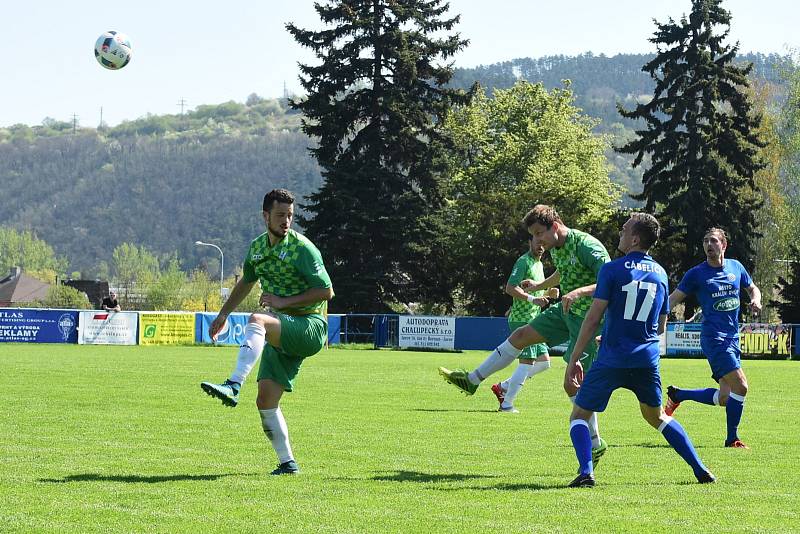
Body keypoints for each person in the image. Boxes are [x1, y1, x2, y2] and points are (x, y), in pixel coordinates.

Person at [438, 204, 610, 462]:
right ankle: (472, 380)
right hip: (566, 310)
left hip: (589, 319)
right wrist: (541, 285)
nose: (537, 240)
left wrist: (578, 292)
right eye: (533, 235)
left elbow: (610, 281)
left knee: (572, 384)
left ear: (555, 225)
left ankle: (595, 442)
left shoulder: (587, 245)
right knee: (520, 336)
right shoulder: (557, 248)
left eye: (540, 233)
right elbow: (564, 273)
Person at [565, 213, 715, 487]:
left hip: (612, 359)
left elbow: (593, 318)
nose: (620, 232)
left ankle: (586, 471)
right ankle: (700, 468)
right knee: (657, 417)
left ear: (635, 238)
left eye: (624, 229)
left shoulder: (611, 269)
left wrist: (574, 359)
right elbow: (659, 327)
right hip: (645, 360)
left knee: (579, 415)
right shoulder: (661, 274)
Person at [200, 188, 334, 475]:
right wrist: (223, 314)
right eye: (280, 215)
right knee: (265, 400)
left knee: (258, 319)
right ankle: (288, 463)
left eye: (290, 216)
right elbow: (246, 281)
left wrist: (283, 302)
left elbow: (326, 291)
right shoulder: (258, 248)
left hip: (309, 327)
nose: (286, 221)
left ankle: (233, 383)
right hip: (281, 330)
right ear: (265, 216)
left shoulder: (303, 249)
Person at [664, 228, 761, 449]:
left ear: (724, 245)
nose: (709, 244)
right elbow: (673, 299)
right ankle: (732, 439)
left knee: (726, 398)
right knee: (742, 386)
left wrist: (756, 299)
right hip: (714, 339)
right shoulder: (696, 274)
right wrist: (653, 317)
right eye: (706, 241)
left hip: (733, 338)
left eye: (714, 241)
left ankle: (679, 395)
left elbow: (753, 288)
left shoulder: (736, 267)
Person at [489, 236, 552, 413]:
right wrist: (533, 299)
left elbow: (534, 291)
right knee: (527, 362)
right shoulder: (523, 261)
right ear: (529, 242)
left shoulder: (538, 264)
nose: (540, 246)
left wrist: (548, 294)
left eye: (543, 243)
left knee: (544, 363)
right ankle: (507, 404)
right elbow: (510, 288)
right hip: (522, 319)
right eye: (537, 242)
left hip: (533, 318)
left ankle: (503, 387)